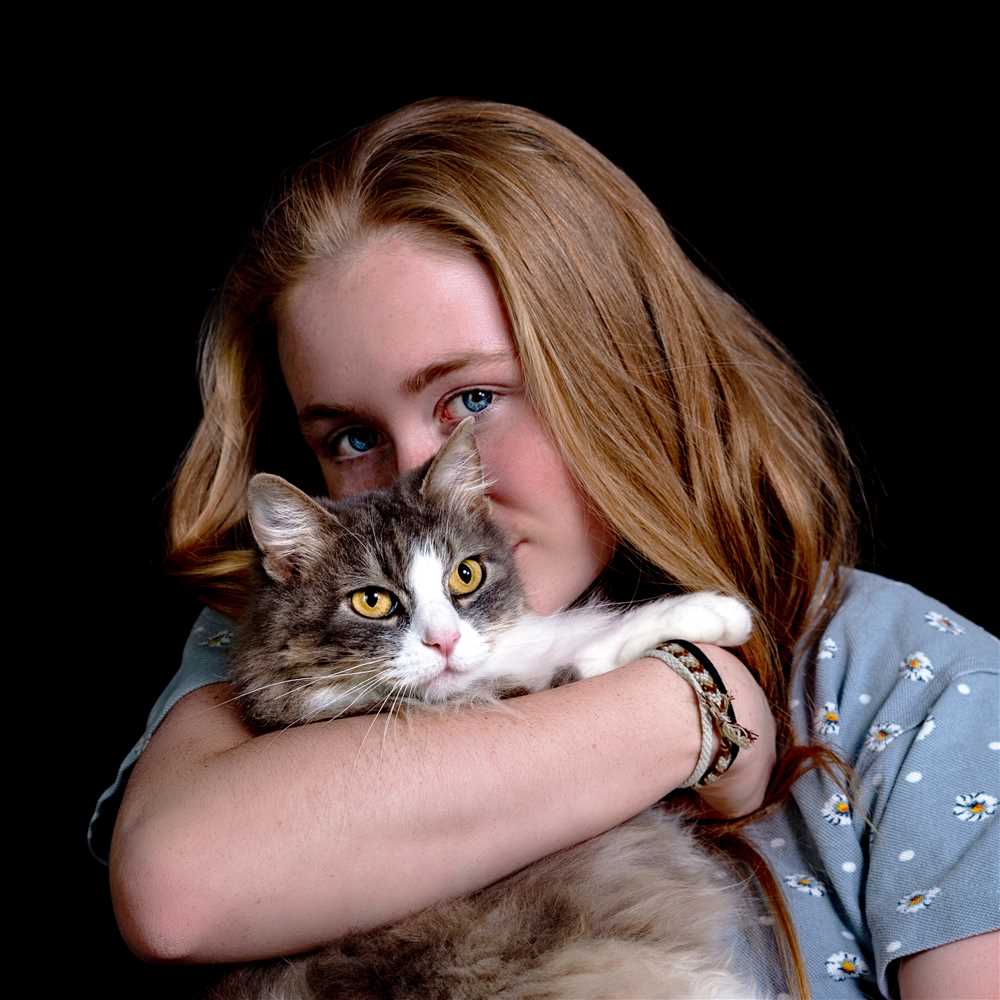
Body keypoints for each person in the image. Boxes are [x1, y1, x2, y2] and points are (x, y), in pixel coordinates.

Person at [90, 97, 998, 998]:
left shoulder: (913, 677)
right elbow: (177, 893)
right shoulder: (272, 638)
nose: (419, 476)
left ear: (618, 372)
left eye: (473, 400)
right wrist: (689, 702)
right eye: (352, 437)